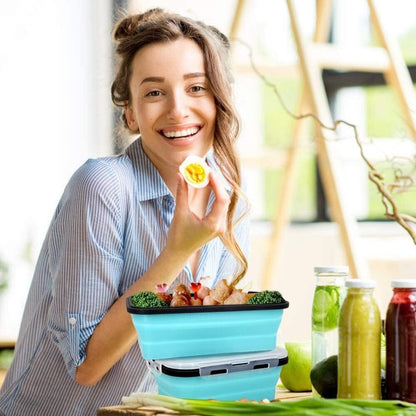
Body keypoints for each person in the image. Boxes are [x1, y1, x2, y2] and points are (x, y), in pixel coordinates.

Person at [0, 8, 250, 416]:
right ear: (131, 113)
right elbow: (87, 365)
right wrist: (174, 254)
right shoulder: (102, 187)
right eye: (154, 92)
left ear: (221, 99)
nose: (177, 109)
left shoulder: (232, 204)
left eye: (197, 87)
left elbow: (198, 353)